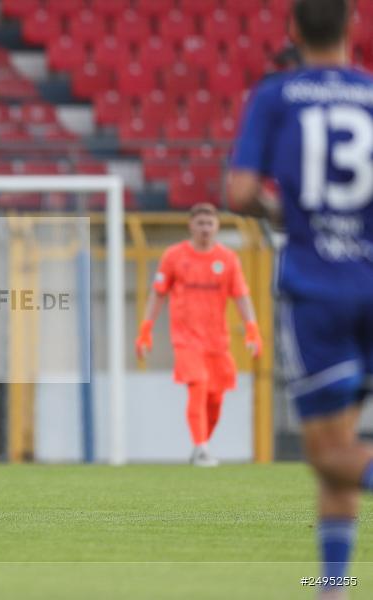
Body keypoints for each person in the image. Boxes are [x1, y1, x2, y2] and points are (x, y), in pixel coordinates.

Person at [228, 1, 373, 596]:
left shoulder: (276, 95)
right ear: (352, 28)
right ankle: (331, 587)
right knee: (340, 450)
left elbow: (238, 192)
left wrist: (282, 209)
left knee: (327, 455)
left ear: (292, 31)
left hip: (317, 290)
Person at [135, 203, 262, 467]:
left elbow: (241, 297)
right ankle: (202, 448)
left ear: (216, 227)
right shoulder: (174, 256)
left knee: (215, 399)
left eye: (210, 223)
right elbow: (158, 293)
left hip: (217, 341)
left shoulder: (228, 259)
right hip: (186, 339)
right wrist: (146, 329)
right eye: (200, 223)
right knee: (198, 386)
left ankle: (199, 446)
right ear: (190, 225)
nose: (205, 228)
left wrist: (252, 328)